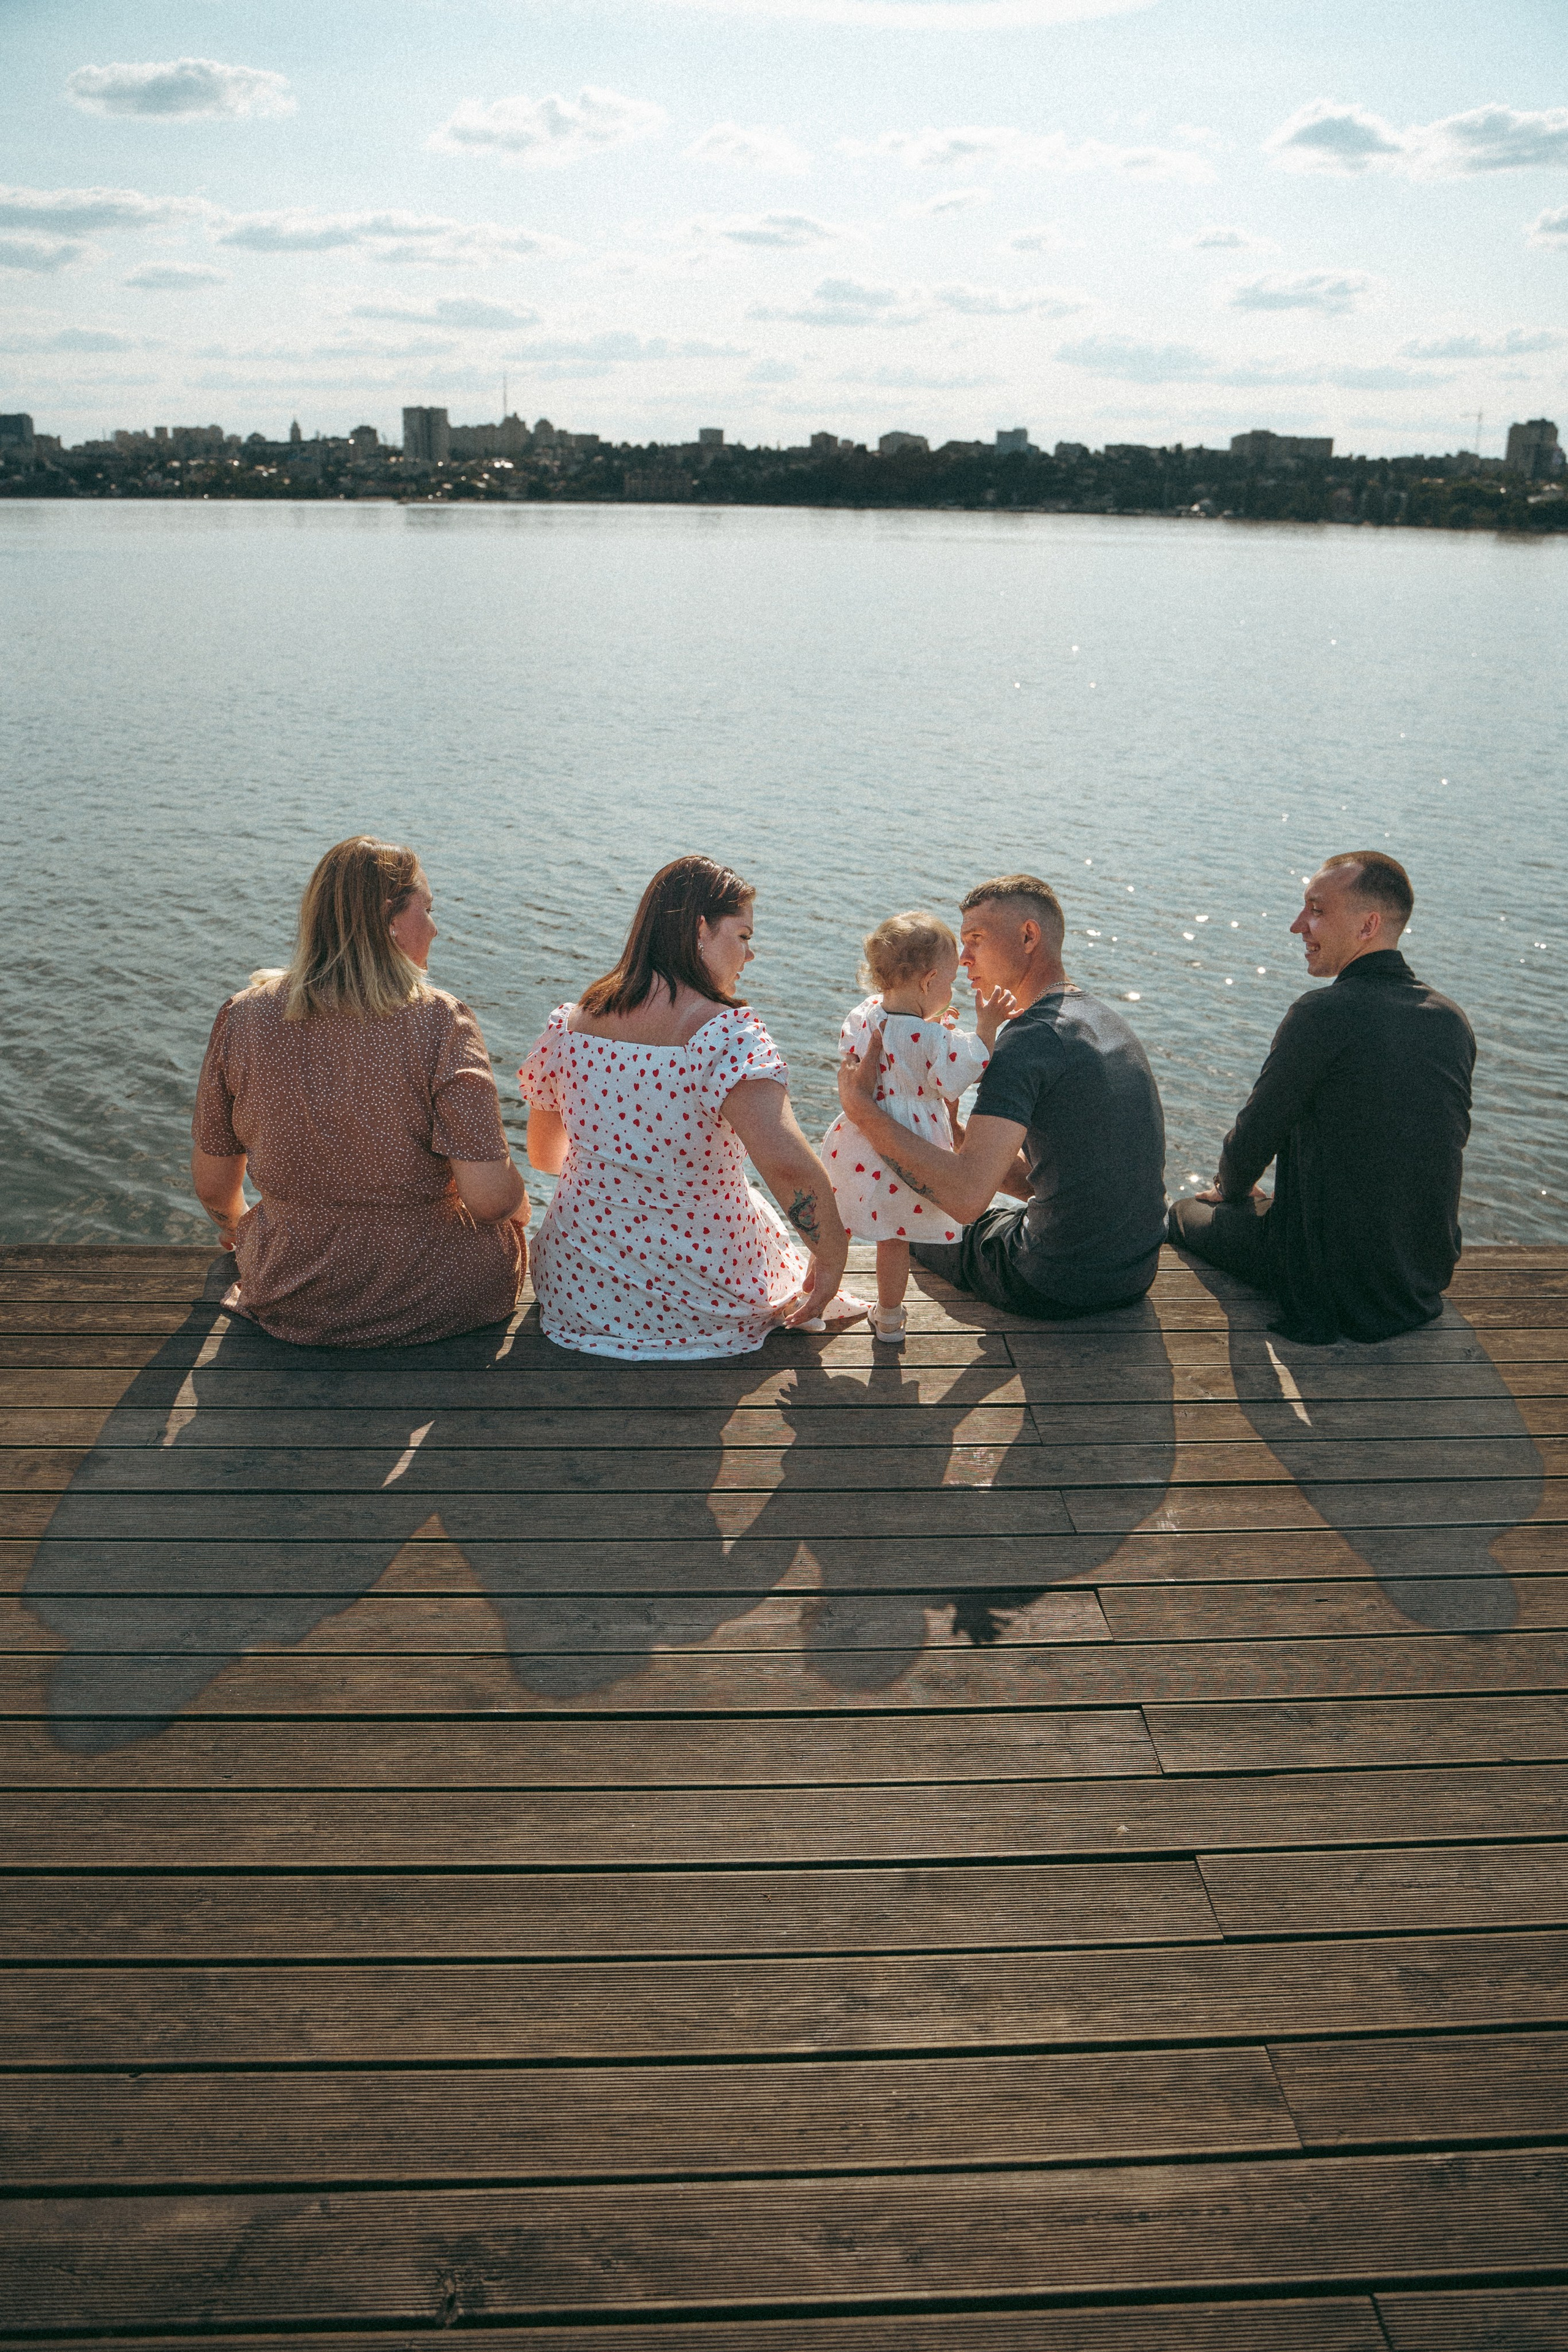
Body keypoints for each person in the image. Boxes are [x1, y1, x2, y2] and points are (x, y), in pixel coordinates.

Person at [190, 836, 529, 1348]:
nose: (434, 928)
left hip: (291, 1294)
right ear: (390, 921)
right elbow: (489, 1201)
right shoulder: (441, 1021)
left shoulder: (244, 1016)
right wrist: (518, 1203)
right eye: (428, 910)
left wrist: (245, 1234)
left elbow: (215, 1187)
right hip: (440, 1296)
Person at [519, 854, 856, 1359]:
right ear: (701, 928)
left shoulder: (571, 1025)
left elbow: (545, 1157)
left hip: (579, 1290)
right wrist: (831, 1256)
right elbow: (785, 1164)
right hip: (697, 1298)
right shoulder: (725, 1036)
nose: (750, 955)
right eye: (742, 936)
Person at [1167, 851, 1475, 1343]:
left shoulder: (1322, 1014)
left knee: (1185, 1214)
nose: (1297, 926)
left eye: (1316, 910)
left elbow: (1253, 1137)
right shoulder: (1451, 1019)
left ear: (1368, 925)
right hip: (1420, 1277)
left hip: (1332, 1281)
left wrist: (1231, 1188)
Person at [837, 874, 1167, 1317]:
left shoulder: (1028, 1039)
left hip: (1051, 1282)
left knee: (911, 1226)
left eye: (975, 939)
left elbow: (966, 1199)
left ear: (1029, 936)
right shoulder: (1104, 1021)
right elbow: (1042, 1181)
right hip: (1131, 1275)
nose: (963, 957)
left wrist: (863, 1113)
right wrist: (955, 1134)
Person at [820, 910, 1009, 1346]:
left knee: (838, 1219)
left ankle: (819, 1293)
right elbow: (952, 1078)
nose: (949, 991)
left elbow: (861, 1049)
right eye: (948, 983)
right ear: (928, 982)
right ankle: (889, 1319)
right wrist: (984, 1029)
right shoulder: (932, 1039)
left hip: (860, 1141)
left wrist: (932, 1024)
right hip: (910, 1143)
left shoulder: (865, 1013)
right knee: (894, 1238)